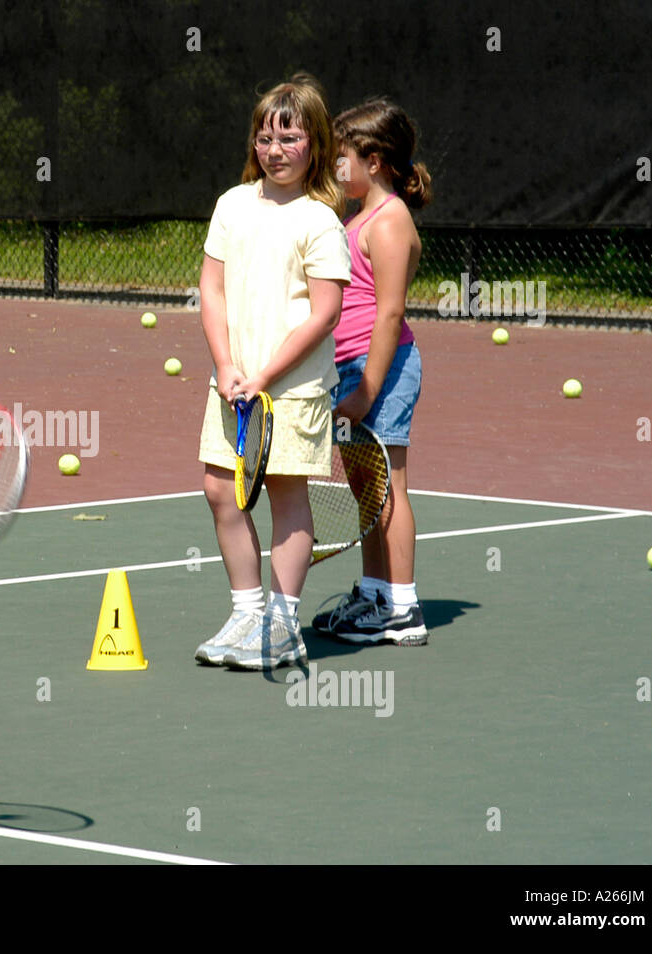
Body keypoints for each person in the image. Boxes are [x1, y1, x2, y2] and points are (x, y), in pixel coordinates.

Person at [194, 75, 351, 671]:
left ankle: (283, 627)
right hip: (232, 385)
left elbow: (325, 312)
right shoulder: (232, 205)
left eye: (289, 137)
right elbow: (211, 289)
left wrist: (263, 375)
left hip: (294, 389)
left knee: (287, 496)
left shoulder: (320, 221)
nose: (275, 149)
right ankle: (246, 615)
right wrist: (228, 366)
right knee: (219, 491)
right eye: (264, 137)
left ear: (314, 143)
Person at [311, 98, 433, 646]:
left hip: (380, 369)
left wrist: (365, 389)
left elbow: (389, 312)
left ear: (375, 159)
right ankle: (376, 591)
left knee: (391, 486)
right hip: (349, 368)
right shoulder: (356, 218)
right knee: (367, 487)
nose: (338, 168)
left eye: (343, 158)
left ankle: (403, 607)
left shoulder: (389, 221)